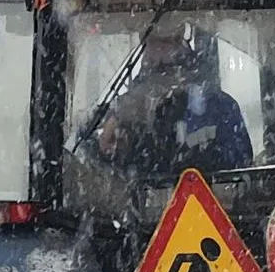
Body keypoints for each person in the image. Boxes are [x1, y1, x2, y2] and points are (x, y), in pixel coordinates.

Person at [93, 26, 253, 175]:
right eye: (154, 41)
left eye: (170, 41)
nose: (162, 52)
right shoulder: (122, 111)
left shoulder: (219, 108)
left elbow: (240, 171)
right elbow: (94, 170)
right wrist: (114, 131)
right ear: (144, 44)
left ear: (182, 39)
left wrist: (194, 157)